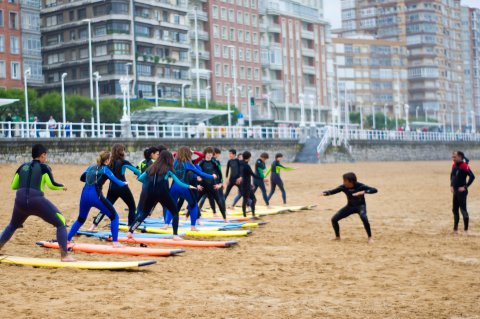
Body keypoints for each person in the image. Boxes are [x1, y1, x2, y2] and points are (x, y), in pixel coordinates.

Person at [0, 144, 74, 261]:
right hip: (36, 201)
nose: (46, 158)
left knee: (12, 225)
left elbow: (13, 186)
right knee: (61, 222)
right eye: (46, 155)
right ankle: (64, 256)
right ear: (42, 155)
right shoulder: (44, 168)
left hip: (20, 201)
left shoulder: (21, 167)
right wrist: (62, 186)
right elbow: (52, 185)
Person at [128, 150, 196, 240]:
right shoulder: (168, 169)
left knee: (144, 213)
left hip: (150, 193)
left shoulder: (151, 167)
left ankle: (130, 231)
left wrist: (148, 182)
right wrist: (189, 186)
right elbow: (179, 182)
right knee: (175, 212)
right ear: (168, 159)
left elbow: (140, 178)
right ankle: (175, 235)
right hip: (163, 194)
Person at [67, 151, 127, 247]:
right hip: (96, 196)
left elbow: (82, 178)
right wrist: (125, 183)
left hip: (84, 196)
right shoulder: (105, 169)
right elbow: (118, 183)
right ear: (107, 161)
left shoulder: (91, 167)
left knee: (80, 219)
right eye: (110, 159)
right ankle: (115, 242)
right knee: (114, 217)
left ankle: (67, 240)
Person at [88, 144, 141, 231]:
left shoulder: (109, 164)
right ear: (121, 152)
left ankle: (92, 227)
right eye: (123, 150)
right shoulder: (124, 162)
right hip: (122, 188)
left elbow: (103, 177)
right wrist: (139, 177)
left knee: (105, 207)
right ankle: (130, 228)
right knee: (132, 206)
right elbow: (136, 171)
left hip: (112, 188)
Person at [164, 146, 216, 231]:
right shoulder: (188, 163)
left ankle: (166, 225)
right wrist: (212, 176)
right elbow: (200, 173)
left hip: (173, 188)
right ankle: (193, 227)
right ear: (188, 153)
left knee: (171, 206)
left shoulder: (175, 162)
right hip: (184, 188)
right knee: (194, 205)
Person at [320, 172, 377, 243]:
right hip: (350, 206)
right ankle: (337, 237)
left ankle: (370, 237)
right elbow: (334, 191)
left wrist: (363, 192)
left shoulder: (360, 186)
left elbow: (374, 190)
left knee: (364, 218)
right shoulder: (343, 187)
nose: (343, 182)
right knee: (334, 219)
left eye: (345, 181)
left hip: (360, 206)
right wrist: (326, 193)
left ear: (351, 181)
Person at [198, 147, 227, 221]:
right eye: (208, 153)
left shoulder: (214, 163)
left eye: (211, 153)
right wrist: (197, 184)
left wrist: (219, 184)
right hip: (203, 186)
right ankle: (188, 217)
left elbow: (220, 174)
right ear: (205, 154)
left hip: (213, 186)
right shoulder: (201, 163)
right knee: (194, 201)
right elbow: (196, 172)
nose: (209, 155)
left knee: (219, 202)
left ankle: (225, 218)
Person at [450, 151, 475, 235]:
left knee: (463, 210)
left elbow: (472, 176)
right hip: (455, 191)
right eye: (452, 157)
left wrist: (465, 187)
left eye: (455, 157)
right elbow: (452, 175)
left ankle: (465, 230)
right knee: (454, 210)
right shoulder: (454, 165)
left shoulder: (464, 165)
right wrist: (451, 185)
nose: (453, 158)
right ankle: (455, 229)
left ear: (460, 157)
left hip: (462, 192)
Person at [238, 151, 262, 218]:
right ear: (249, 158)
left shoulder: (240, 163)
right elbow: (253, 174)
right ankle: (249, 215)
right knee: (250, 200)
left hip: (244, 185)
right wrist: (262, 178)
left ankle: (247, 215)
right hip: (246, 185)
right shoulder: (246, 165)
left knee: (247, 200)